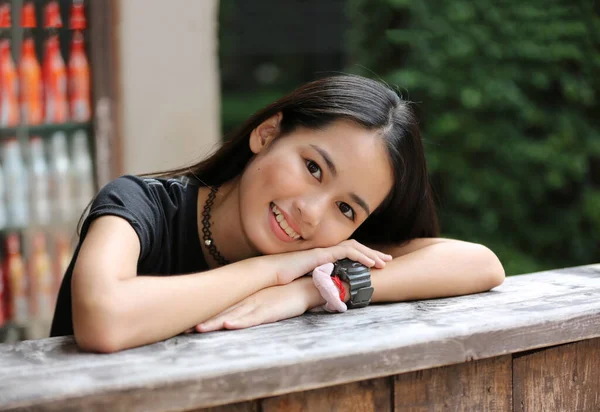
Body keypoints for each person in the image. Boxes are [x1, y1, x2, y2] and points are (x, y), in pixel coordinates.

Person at [50, 75, 505, 353]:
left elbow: (480, 263)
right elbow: (103, 318)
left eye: (346, 208)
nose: (310, 213)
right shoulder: (139, 205)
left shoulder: (321, 258)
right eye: (313, 168)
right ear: (267, 134)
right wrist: (272, 269)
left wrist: (313, 290)